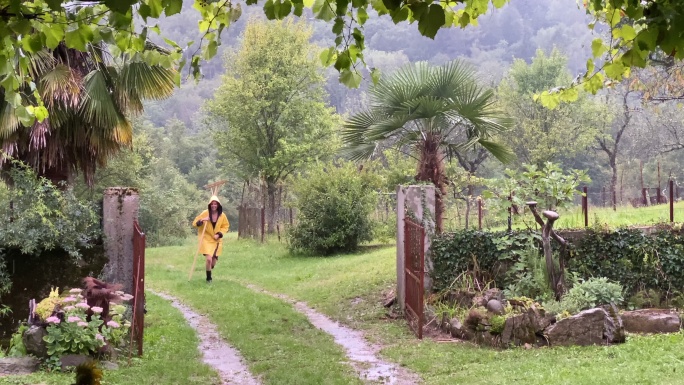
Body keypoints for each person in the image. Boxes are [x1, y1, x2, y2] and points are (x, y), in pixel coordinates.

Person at [192, 195, 230, 282]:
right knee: (208, 259)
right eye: (212, 204)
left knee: (212, 263)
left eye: (215, 204)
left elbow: (225, 226)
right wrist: (202, 220)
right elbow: (194, 223)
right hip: (206, 238)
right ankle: (209, 278)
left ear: (218, 205)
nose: (214, 206)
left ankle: (212, 263)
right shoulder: (205, 213)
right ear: (210, 205)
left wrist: (219, 234)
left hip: (216, 240)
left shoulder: (222, 215)